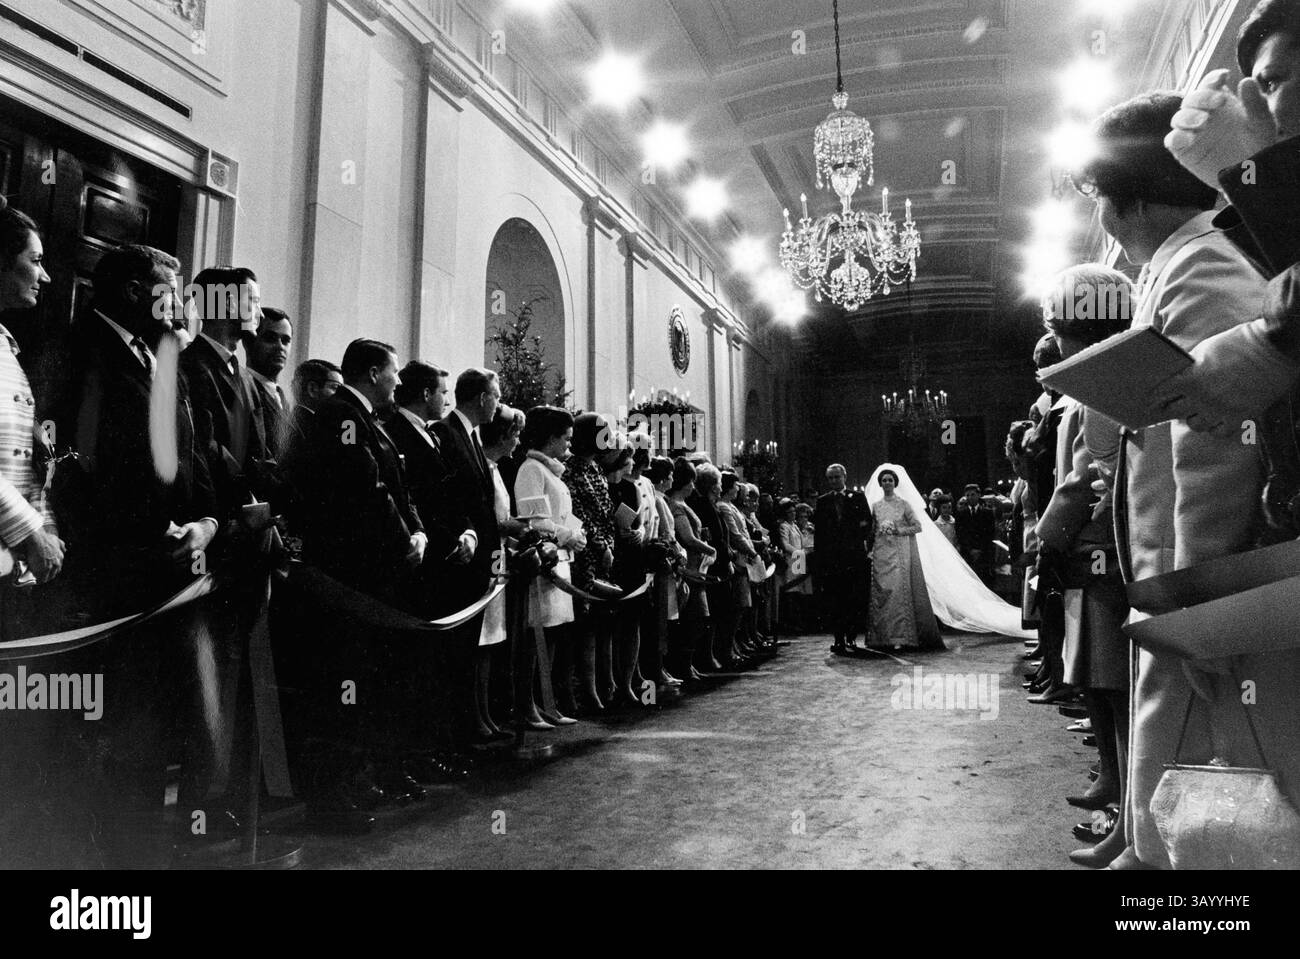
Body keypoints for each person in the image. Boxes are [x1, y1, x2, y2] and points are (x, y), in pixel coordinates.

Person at [1073, 91, 1272, 870]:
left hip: (1198, 572)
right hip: (1170, 568)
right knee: (1171, 737)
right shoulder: (1176, 265)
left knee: (1207, 775)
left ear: (1133, 199)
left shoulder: (1199, 266)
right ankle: (1146, 852)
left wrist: (1205, 603)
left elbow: (1219, 448)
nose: (1104, 218)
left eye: (1102, 197)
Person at [1034, 264, 1133, 867]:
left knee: (1110, 684)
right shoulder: (1104, 384)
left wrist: (1045, 543)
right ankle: (1113, 781)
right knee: (1096, 679)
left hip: (1095, 556)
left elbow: (1079, 484)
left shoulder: (1097, 391)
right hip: (1093, 556)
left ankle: (1123, 803)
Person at [0, 199, 64, 636]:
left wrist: (46, 526)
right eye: (35, 260)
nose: (45, 276)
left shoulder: (7, 344)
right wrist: (30, 530)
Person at [514, 405, 585, 726]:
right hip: (544, 560)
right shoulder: (531, 469)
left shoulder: (551, 470)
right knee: (536, 636)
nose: (569, 446)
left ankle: (547, 703)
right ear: (550, 438)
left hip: (560, 560)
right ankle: (528, 706)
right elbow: (535, 520)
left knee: (553, 633)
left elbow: (560, 514)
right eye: (566, 439)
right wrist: (567, 534)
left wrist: (575, 532)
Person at [181, 266, 270, 520]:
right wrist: (247, 496)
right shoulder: (186, 366)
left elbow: (259, 450)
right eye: (253, 301)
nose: (260, 314)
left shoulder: (246, 377)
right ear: (230, 304)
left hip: (249, 517)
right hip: (211, 518)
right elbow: (203, 445)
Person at [476, 405, 528, 740]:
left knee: (491, 642)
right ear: (503, 435)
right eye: (515, 434)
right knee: (482, 642)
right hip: (488, 560)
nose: (518, 441)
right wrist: (512, 527)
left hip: (499, 559)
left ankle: (486, 714)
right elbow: (488, 517)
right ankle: (478, 715)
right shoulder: (483, 465)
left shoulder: (495, 468)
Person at [563, 412, 618, 711]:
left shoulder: (596, 468)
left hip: (602, 555)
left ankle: (597, 686)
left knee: (599, 624)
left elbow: (605, 511)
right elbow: (579, 514)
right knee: (582, 625)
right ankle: (580, 690)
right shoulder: (570, 469)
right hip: (582, 556)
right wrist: (599, 545)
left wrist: (608, 546)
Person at [867, 469, 942, 651]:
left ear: (895, 483)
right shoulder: (876, 506)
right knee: (881, 593)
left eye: (890, 480)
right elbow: (872, 530)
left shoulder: (904, 504)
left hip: (900, 553)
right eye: (884, 480)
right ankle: (881, 638)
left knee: (897, 594)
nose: (887, 483)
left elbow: (917, 527)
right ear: (880, 484)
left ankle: (902, 637)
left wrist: (898, 530)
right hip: (881, 553)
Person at [813, 463, 872, 654]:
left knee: (853, 599)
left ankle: (852, 637)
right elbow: (819, 534)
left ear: (844, 477)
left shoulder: (857, 497)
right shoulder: (823, 501)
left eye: (837, 477)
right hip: (832, 559)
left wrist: (854, 538)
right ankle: (838, 638)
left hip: (853, 556)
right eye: (830, 478)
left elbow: (866, 523)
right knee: (835, 599)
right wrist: (820, 559)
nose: (834, 481)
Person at [667, 457, 713, 683]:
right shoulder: (676, 506)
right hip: (690, 570)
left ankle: (689, 664)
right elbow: (687, 538)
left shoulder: (682, 505)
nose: (694, 486)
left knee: (697, 618)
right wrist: (709, 547)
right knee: (694, 618)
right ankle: (684, 666)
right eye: (691, 481)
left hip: (698, 569)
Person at [244, 306, 293, 460]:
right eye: (270, 338)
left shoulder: (280, 396)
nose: (280, 347)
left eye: (286, 341)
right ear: (248, 343)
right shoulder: (242, 390)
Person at [954, 484, 996, 584]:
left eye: (972, 494)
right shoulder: (960, 513)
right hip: (968, 553)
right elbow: (960, 534)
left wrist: (980, 549)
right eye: (967, 495)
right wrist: (970, 549)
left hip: (983, 552)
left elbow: (990, 533)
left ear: (978, 495)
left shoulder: (987, 513)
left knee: (983, 580)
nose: (970, 498)